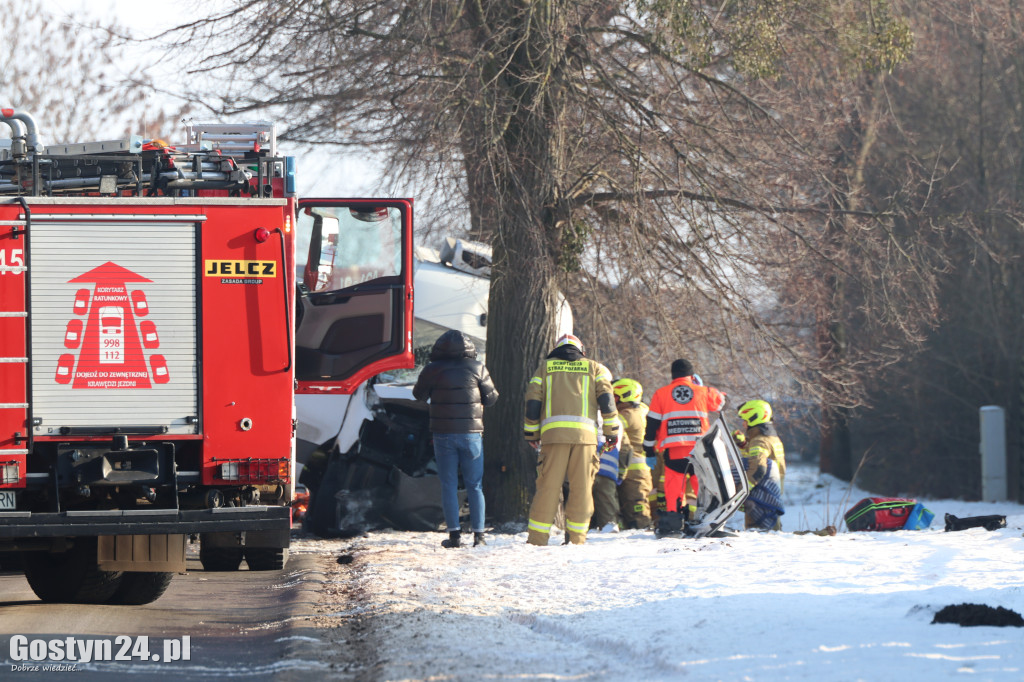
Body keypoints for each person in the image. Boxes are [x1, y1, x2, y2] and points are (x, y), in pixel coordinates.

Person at [524, 333, 619, 546]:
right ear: (581, 350)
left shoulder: (545, 368)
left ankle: (537, 540)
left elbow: (532, 402)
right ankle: (576, 539)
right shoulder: (596, 368)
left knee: (548, 488)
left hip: (553, 437)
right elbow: (607, 401)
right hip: (585, 439)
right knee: (583, 489)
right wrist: (611, 432)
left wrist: (531, 433)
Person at [412, 329, 498, 548]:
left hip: (443, 435)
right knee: (475, 485)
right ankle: (479, 536)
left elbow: (418, 395)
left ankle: (454, 536)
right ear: (469, 348)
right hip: (471, 435)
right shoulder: (478, 368)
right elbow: (491, 399)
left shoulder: (432, 369)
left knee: (448, 485)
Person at [643, 359, 725, 533]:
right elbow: (721, 402)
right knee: (702, 486)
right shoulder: (703, 392)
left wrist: (649, 449)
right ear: (692, 375)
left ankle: (673, 522)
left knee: (673, 489)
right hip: (699, 452)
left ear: (672, 375)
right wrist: (704, 388)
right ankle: (709, 519)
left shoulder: (661, 394)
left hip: (674, 452)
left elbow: (651, 424)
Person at [736, 399, 786, 530]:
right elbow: (757, 459)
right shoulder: (772, 438)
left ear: (754, 418)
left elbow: (758, 469)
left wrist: (741, 491)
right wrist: (743, 444)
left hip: (760, 500)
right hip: (771, 496)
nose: (743, 424)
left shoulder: (759, 442)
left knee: (760, 539)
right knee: (772, 534)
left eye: (745, 420)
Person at [612, 378, 653, 529]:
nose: (612, 400)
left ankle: (641, 531)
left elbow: (610, 427)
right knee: (636, 502)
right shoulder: (642, 410)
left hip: (632, 469)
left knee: (636, 505)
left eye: (615, 396)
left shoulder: (626, 415)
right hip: (640, 468)